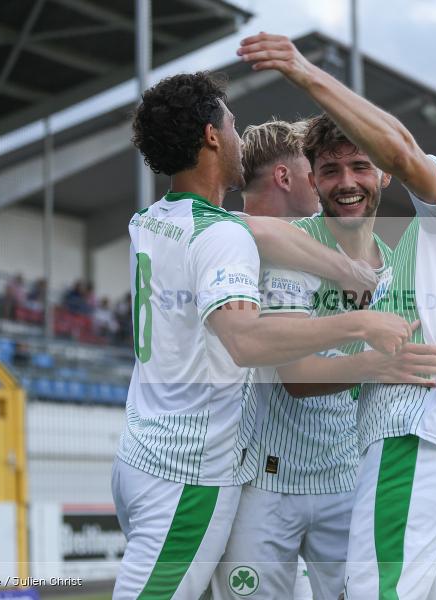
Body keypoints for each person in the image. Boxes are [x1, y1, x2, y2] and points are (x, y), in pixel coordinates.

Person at [239, 33, 436, 598]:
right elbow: (306, 371)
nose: (348, 181)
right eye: (330, 170)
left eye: (362, 165)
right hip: (312, 470)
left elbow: (400, 149)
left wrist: (304, 70)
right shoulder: (426, 256)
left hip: (404, 443)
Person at [111, 71, 415, 600]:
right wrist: (361, 323)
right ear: (211, 135)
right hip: (189, 469)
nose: (239, 135)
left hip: (140, 454)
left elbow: (256, 229)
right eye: (231, 124)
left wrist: (346, 271)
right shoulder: (222, 236)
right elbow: (246, 342)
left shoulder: (151, 219)